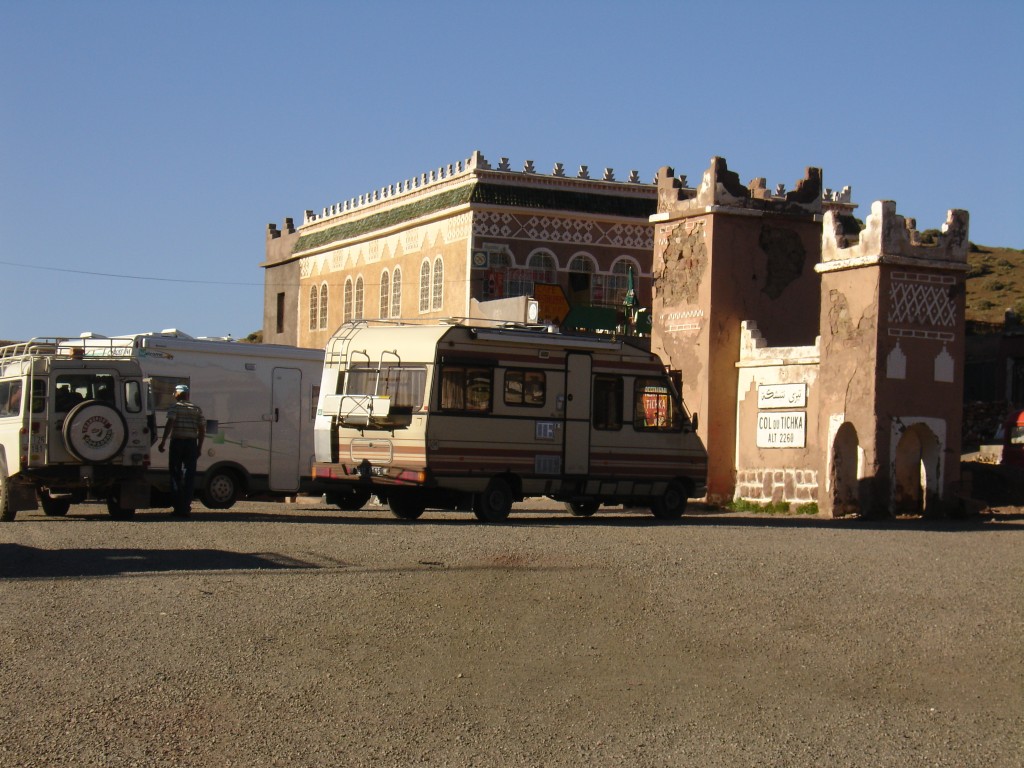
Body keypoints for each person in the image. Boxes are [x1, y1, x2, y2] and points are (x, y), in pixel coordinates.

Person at [158, 384, 205, 517]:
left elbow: (170, 424)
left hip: (177, 442)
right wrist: (199, 447)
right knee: (189, 476)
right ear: (187, 395)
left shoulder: (175, 407)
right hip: (191, 444)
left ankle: (178, 507)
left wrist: (163, 441)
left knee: (175, 473)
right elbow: (202, 430)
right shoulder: (196, 409)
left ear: (177, 395)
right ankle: (186, 506)